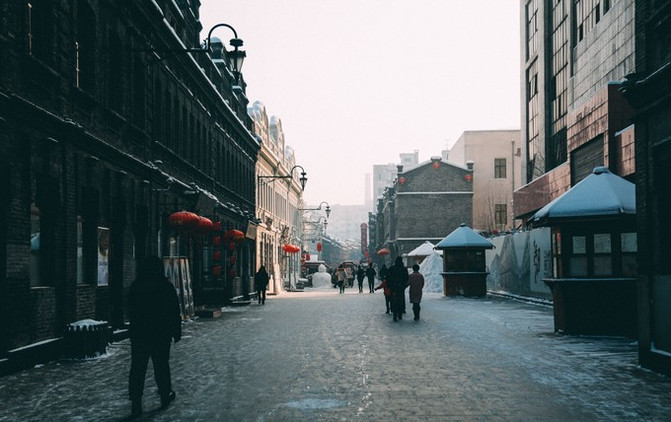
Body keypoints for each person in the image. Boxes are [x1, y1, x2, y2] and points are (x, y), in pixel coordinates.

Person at [128, 256, 182, 418]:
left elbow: (130, 309)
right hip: (160, 334)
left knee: (138, 367)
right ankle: (165, 394)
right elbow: (174, 310)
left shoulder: (136, 286)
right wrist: (176, 330)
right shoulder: (165, 286)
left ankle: (136, 401)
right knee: (161, 365)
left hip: (140, 334)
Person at [386, 257, 409, 322]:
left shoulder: (392, 269)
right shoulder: (403, 269)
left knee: (393, 300)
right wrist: (404, 285)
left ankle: (394, 314)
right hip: (401, 288)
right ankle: (400, 314)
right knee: (400, 300)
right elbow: (406, 278)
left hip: (393, 288)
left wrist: (389, 286)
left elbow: (388, 278)